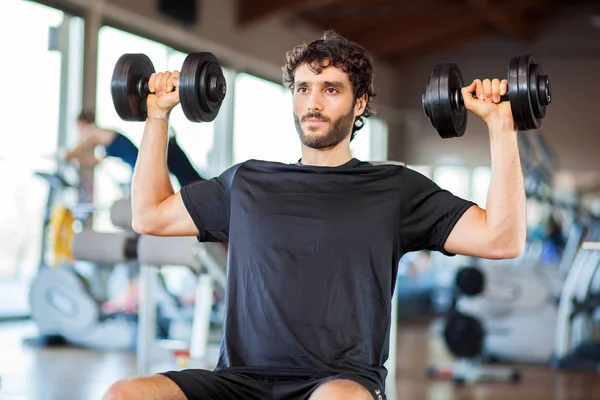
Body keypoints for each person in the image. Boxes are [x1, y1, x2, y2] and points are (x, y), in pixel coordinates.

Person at [102, 31, 527, 400]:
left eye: (330, 89)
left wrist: (500, 124)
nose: (313, 102)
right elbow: (150, 215)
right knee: (124, 393)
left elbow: (502, 239)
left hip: (339, 382)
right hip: (240, 381)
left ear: (360, 103)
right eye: (303, 88)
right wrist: (156, 115)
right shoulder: (247, 182)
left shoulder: (394, 188)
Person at [66, 110, 204, 187]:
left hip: (141, 165)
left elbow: (77, 149)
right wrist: (77, 158)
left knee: (188, 179)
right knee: (186, 179)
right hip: (138, 165)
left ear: (83, 123)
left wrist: (66, 155)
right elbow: (95, 161)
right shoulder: (100, 137)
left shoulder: (93, 131)